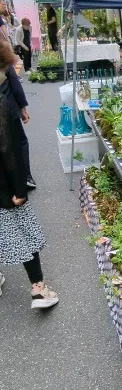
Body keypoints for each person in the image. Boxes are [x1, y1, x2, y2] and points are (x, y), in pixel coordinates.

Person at [0, 44, 58, 309]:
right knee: (23, 231)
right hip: (6, 185)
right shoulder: (2, 102)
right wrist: (20, 189)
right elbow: (11, 148)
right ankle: (38, 288)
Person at [0, 40, 36, 189]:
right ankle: (25, 176)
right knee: (19, 142)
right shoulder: (4, 62)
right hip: (8, 111)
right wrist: (22, 109)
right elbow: (16, 86)